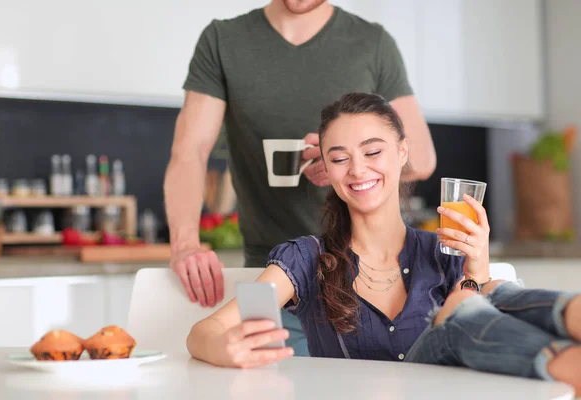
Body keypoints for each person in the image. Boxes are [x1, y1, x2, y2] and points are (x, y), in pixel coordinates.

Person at [185, 93, 581, 395]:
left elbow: (475, 349)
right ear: (327, 168)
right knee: (461, 310)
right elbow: (202, 333)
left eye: (373, 151)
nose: (358, 169)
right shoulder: (308, 258)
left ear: (401, 152)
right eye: (339, 159)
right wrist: (225, 349)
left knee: (488, 295)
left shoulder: (441, 248)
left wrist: (476, 266)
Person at [164, 0, 436, 357]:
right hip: (271, 280)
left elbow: (421, 158)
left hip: (365, 279)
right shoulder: (223, 40)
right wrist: (185, 244)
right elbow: (189, 152)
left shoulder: (372, 43)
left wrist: (346, 160)